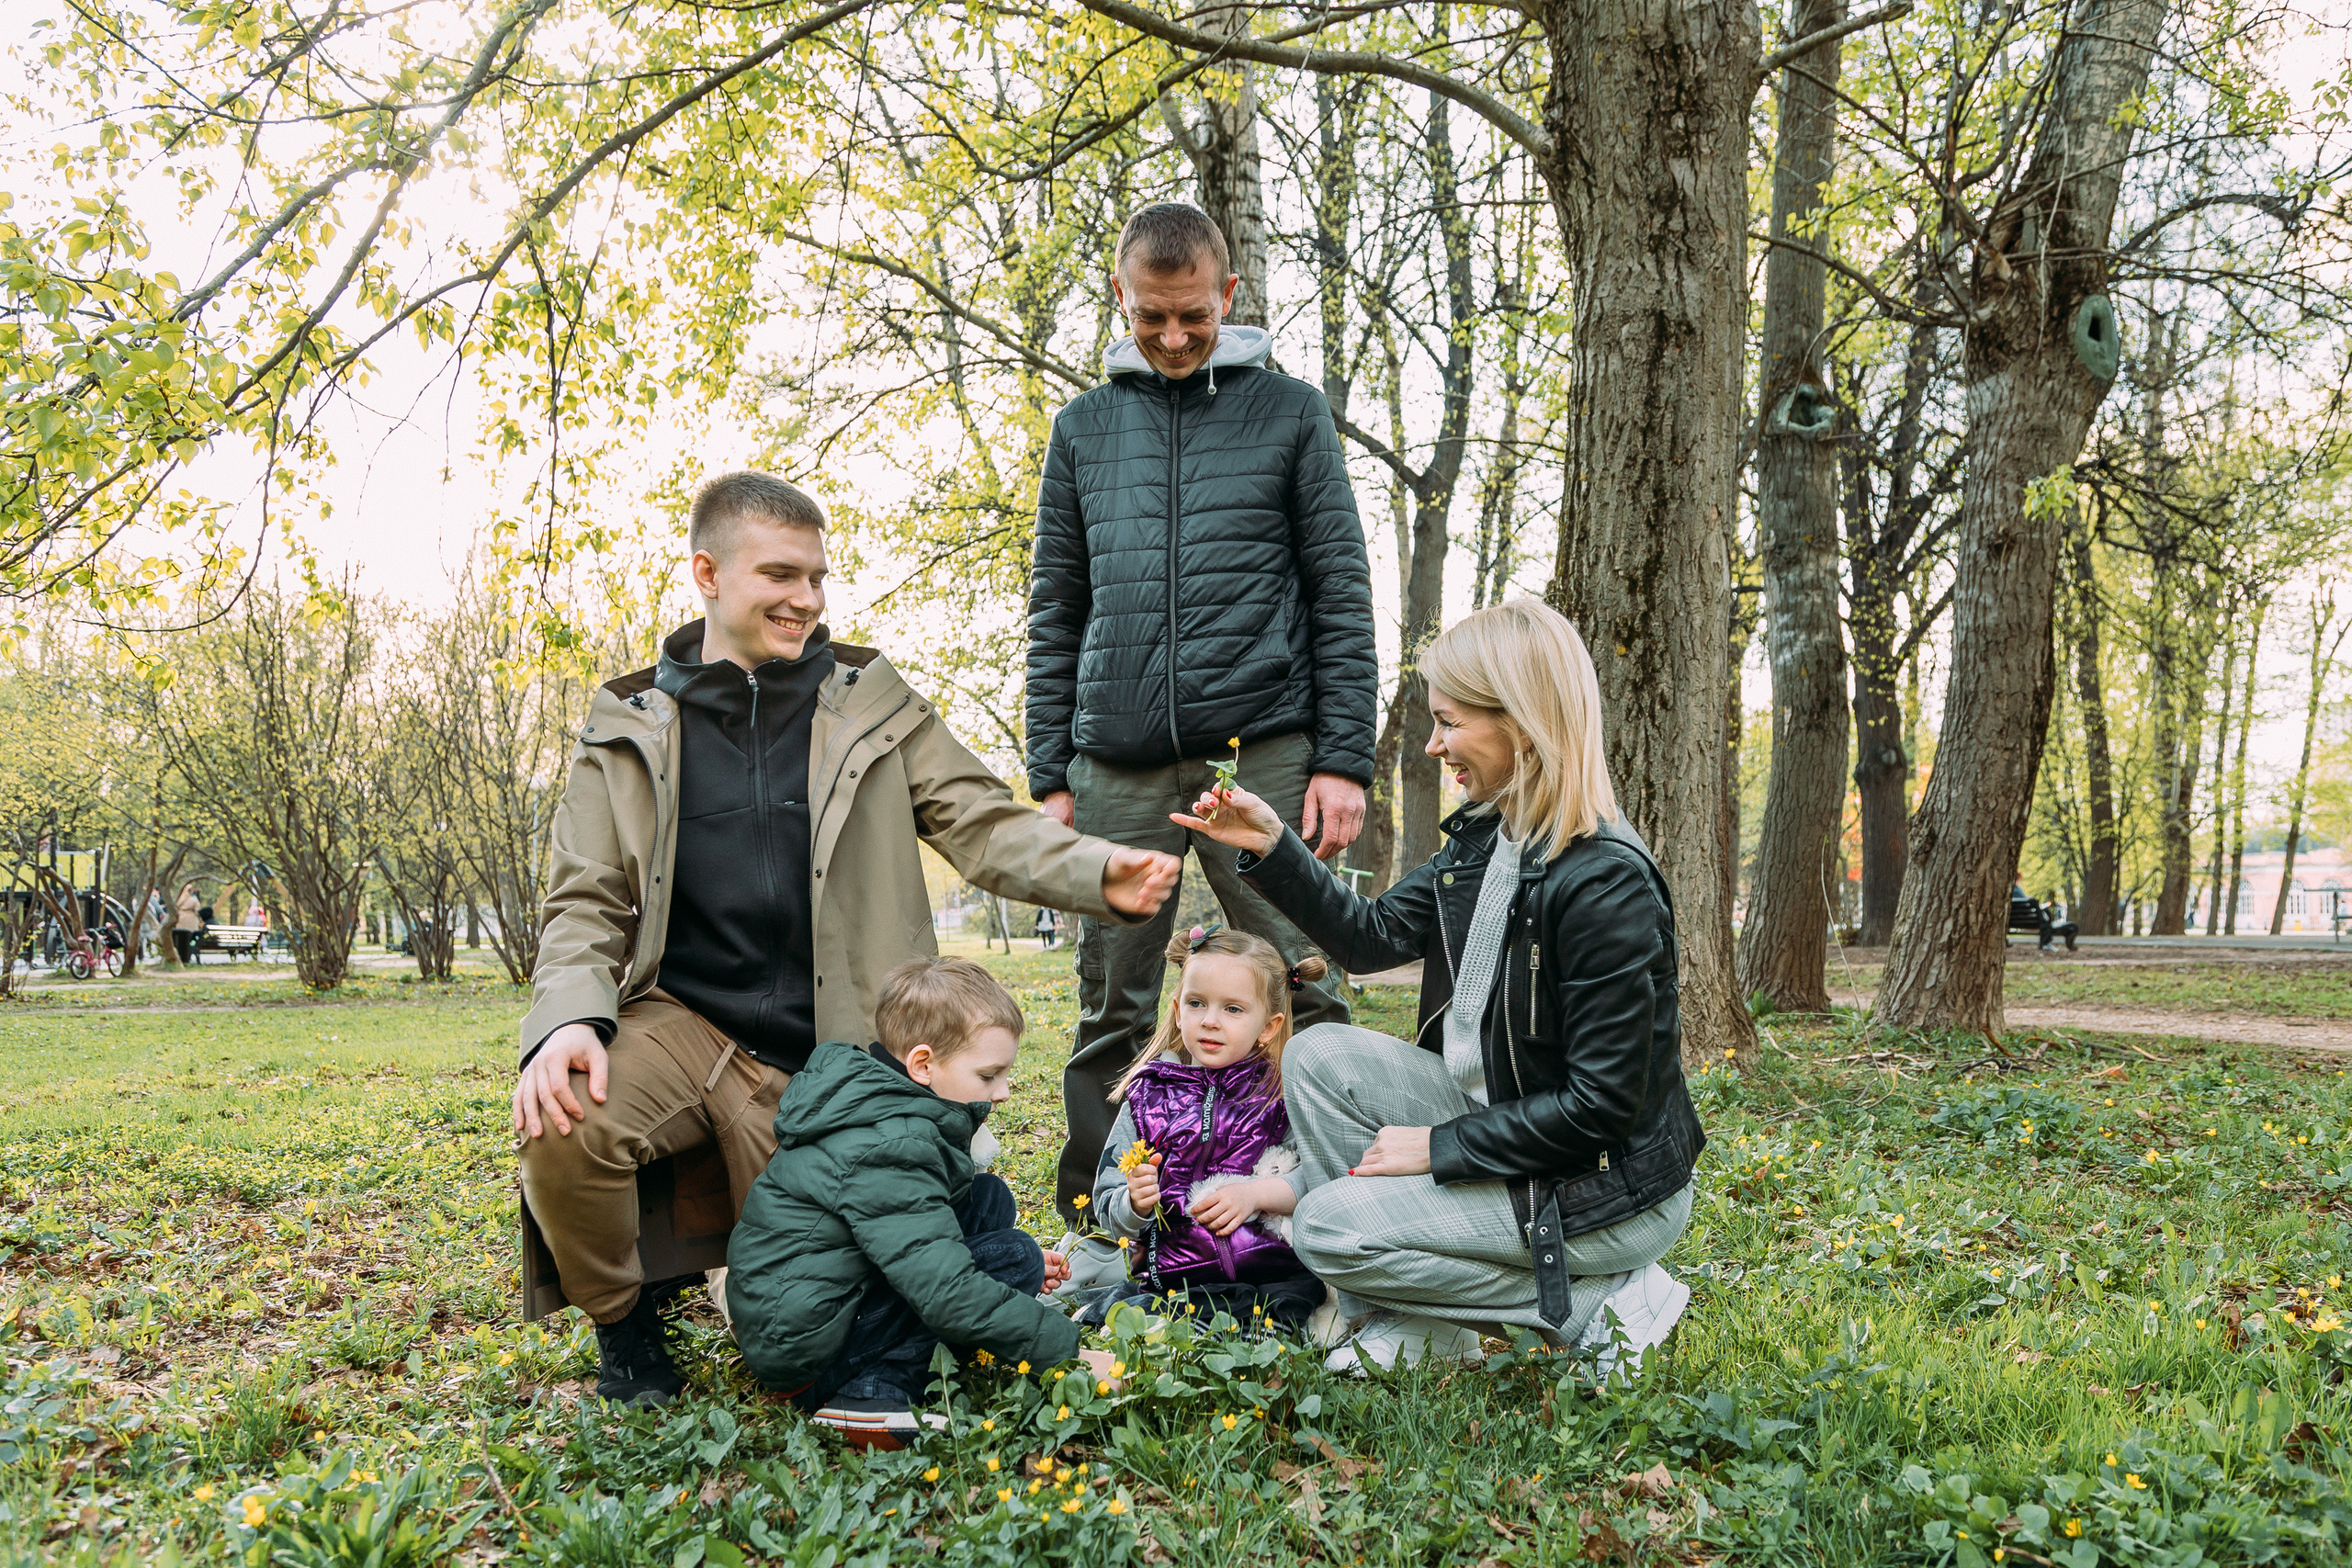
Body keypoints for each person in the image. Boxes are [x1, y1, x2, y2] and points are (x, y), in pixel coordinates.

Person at [514, 471, 1180, 1407]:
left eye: (819, 577)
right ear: (707, 572)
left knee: (805, 1349)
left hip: (844, 1051)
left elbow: (982, 822)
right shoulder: (629, 725)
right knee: (563, 1114)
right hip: (687, 1021)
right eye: (780, 574)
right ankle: (626, 1326)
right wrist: (570, 1022)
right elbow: (584, 900)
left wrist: (1092, 871)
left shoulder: (870, 701)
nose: (807, 599)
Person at [1176, 601, 1705, 1376]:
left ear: (1520, 723)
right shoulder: (1488, 838)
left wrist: (1439, 1147)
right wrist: (1275, 846)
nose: (1433, 745)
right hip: (1508, 1124)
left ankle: (1597, 1304)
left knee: (1327, 1228)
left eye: (1450, 722)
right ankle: (1404, 1310)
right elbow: (1371, 937)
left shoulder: (1604, 883)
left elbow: (1604, 1106)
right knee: (1318, 1053)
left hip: (1605, 1188)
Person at [1026, 199, 1380, 1280]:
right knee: (1116, 998)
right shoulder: (1083, 428)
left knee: (1302, 981)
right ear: (1122, 303)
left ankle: (1331, 1205)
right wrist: (1050, 774)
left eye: (1190, 316)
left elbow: (1339, 589)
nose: (1171, 337)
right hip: (1116, 759)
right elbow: (1056, 606)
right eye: (1149, 318)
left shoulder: (1290, 413)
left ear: (1227, 300)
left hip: (1260, 748)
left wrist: (1341, 756)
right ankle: (1104, 1224)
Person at [727, 958, 1113, 1447]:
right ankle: (868, 1394)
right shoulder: (893, 1144)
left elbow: (919, 1233)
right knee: (1010, 1258)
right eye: (989, 1075)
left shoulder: (881, 1101)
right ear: (923, 1064)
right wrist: (1069, 1355)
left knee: (986, 1198)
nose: (1005, 1093)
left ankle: (914, 1356)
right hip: (813, 1352)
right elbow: (947, 1292)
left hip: (808, 1310)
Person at [1080, 927, 1329, 1333]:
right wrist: (1135, 1203)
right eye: (1197, 1004)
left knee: (1276, 1324)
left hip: (1275, 1277)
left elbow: (1321, 1177)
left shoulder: (1282, 1094)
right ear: (1178, 1011)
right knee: (1137, 1321)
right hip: (1175, 1283)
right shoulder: (1147, 1097)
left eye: (1233, 1009)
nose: (1210, 1021)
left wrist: (1256, 1195)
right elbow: (1109, 1204)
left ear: (1269, 1026)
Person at [172, 883, 203, 966]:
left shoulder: (179, 900)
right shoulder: (193, 900)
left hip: (180, 919)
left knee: (181, 937)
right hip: (191, 920)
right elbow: (197, 910)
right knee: (190, 936)